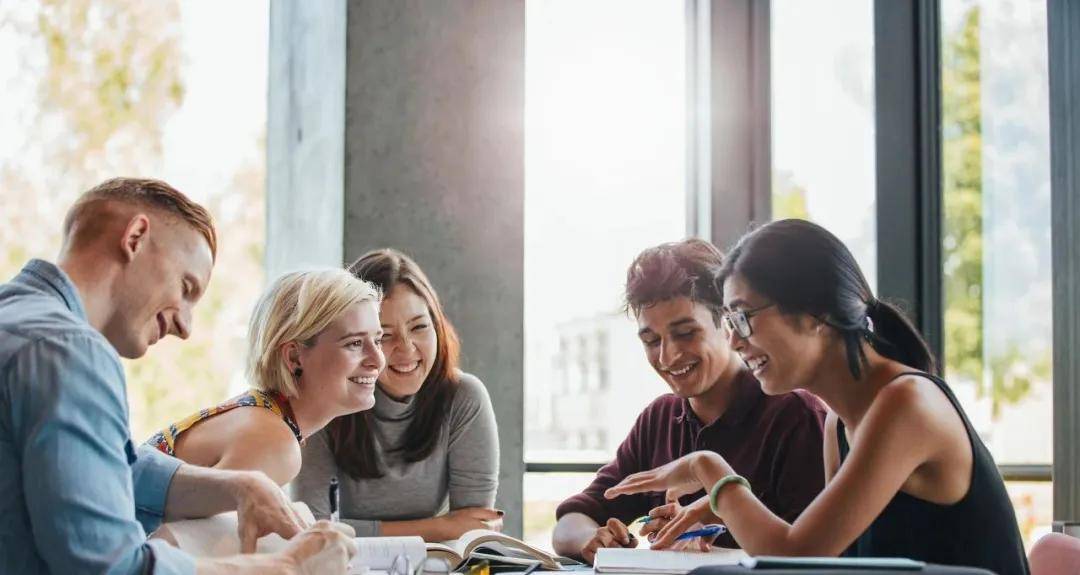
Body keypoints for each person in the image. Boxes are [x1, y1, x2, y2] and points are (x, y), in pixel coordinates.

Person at [604, 220, 1029, 574]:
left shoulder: (906, 403)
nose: (734, 342)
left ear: (814, 314)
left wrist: (709, 470)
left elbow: (795, 557)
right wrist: (719, 513)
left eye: (743, 318)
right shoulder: (838, 424)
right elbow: (827, 566)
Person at [0, 178, 357, 574]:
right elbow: (113, 568)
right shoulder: (67, 350)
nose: (185, 327)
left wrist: (240, 486)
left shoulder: (18, 325)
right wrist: (290, 566)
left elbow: (105, 469)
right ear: (135, 237)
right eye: (186, 288)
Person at [552, 239, 827, 563]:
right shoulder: (659, 419)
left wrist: (707, 540)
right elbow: (571, 522)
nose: (667, 356)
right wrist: (592, 539)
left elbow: (809, 559)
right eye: (652, 341)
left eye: (685, 333)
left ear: (728, 323)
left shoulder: (795, 416)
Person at [293, 248, 501, 541]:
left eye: (419, 327)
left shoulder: (464, 397)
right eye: (384, 336)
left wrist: (449, 529)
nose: (406, 349)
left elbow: (473, 528)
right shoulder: (324, 399)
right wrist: (439, 527)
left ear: (438, 326)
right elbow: (312, 530)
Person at [146, 269, 385, 487]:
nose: (378, 360)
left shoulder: (266, 416)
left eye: (377, 340)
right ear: (294, 356)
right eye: (354, 343)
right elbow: (196, 534)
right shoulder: (273, 442)